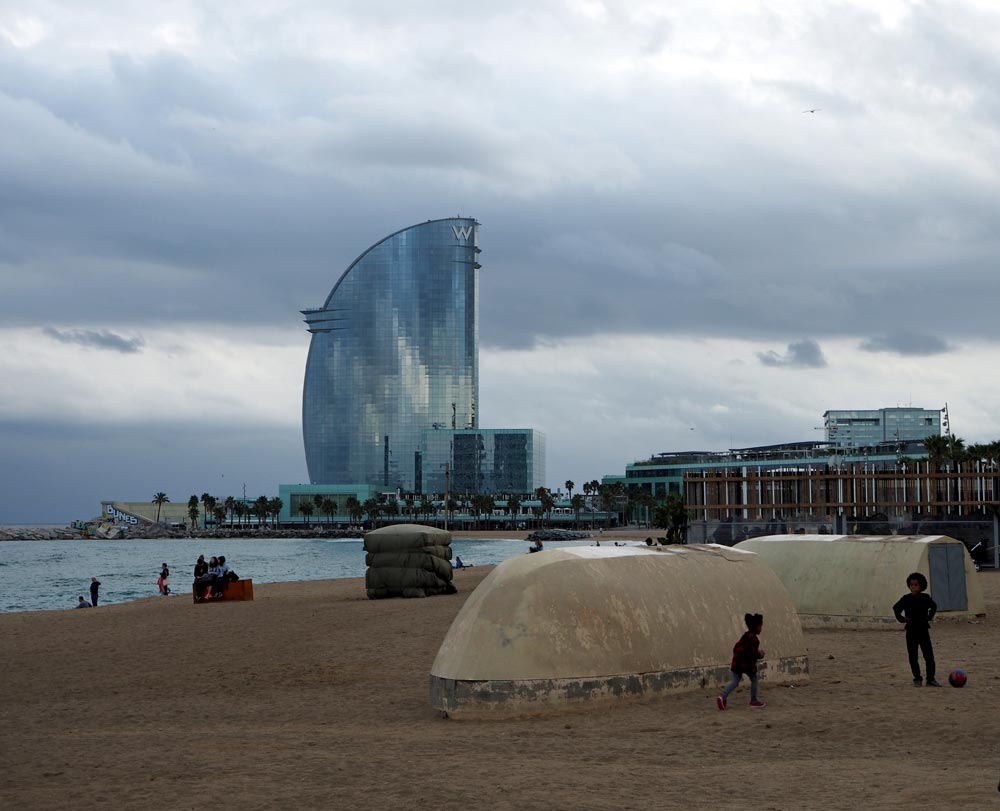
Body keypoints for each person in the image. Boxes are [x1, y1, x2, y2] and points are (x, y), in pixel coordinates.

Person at [892, 571, 939, 687]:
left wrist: (929, 617)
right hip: (911, 631)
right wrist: (901, 619)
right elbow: (896, 608)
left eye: (916, 585)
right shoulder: (906, 599)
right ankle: (917, 678)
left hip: (923, 630)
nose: (913, 587)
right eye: (911, 585)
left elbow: (933, 607)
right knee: (913, 656)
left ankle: (930, 679)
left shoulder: (925, 598)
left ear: (921, 586)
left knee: (929, 656)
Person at [717, 613, 766, 710]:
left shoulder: (745, 636)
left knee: (735, 681)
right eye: (761, 626)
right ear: (756, 627)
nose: (761, 628)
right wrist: (760, 654)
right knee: (754, 679)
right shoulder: (754, 639)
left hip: (737, 662)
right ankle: (753, 700)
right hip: (747, 664)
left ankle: (723, 696)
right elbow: (753, 653)